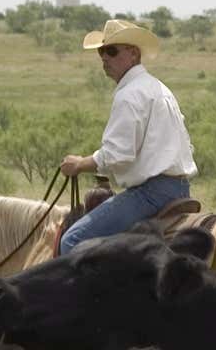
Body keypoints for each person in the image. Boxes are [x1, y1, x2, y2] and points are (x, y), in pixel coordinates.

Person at [58, 19, 198, 255]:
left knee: (72, 240)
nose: (104, 58)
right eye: (102, 51)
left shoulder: (130, 94)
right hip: (180, 189)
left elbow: (118, 155)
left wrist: (80, 164)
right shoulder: (159, 88)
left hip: (150, 194)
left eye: (111, 51)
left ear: (133, 54)